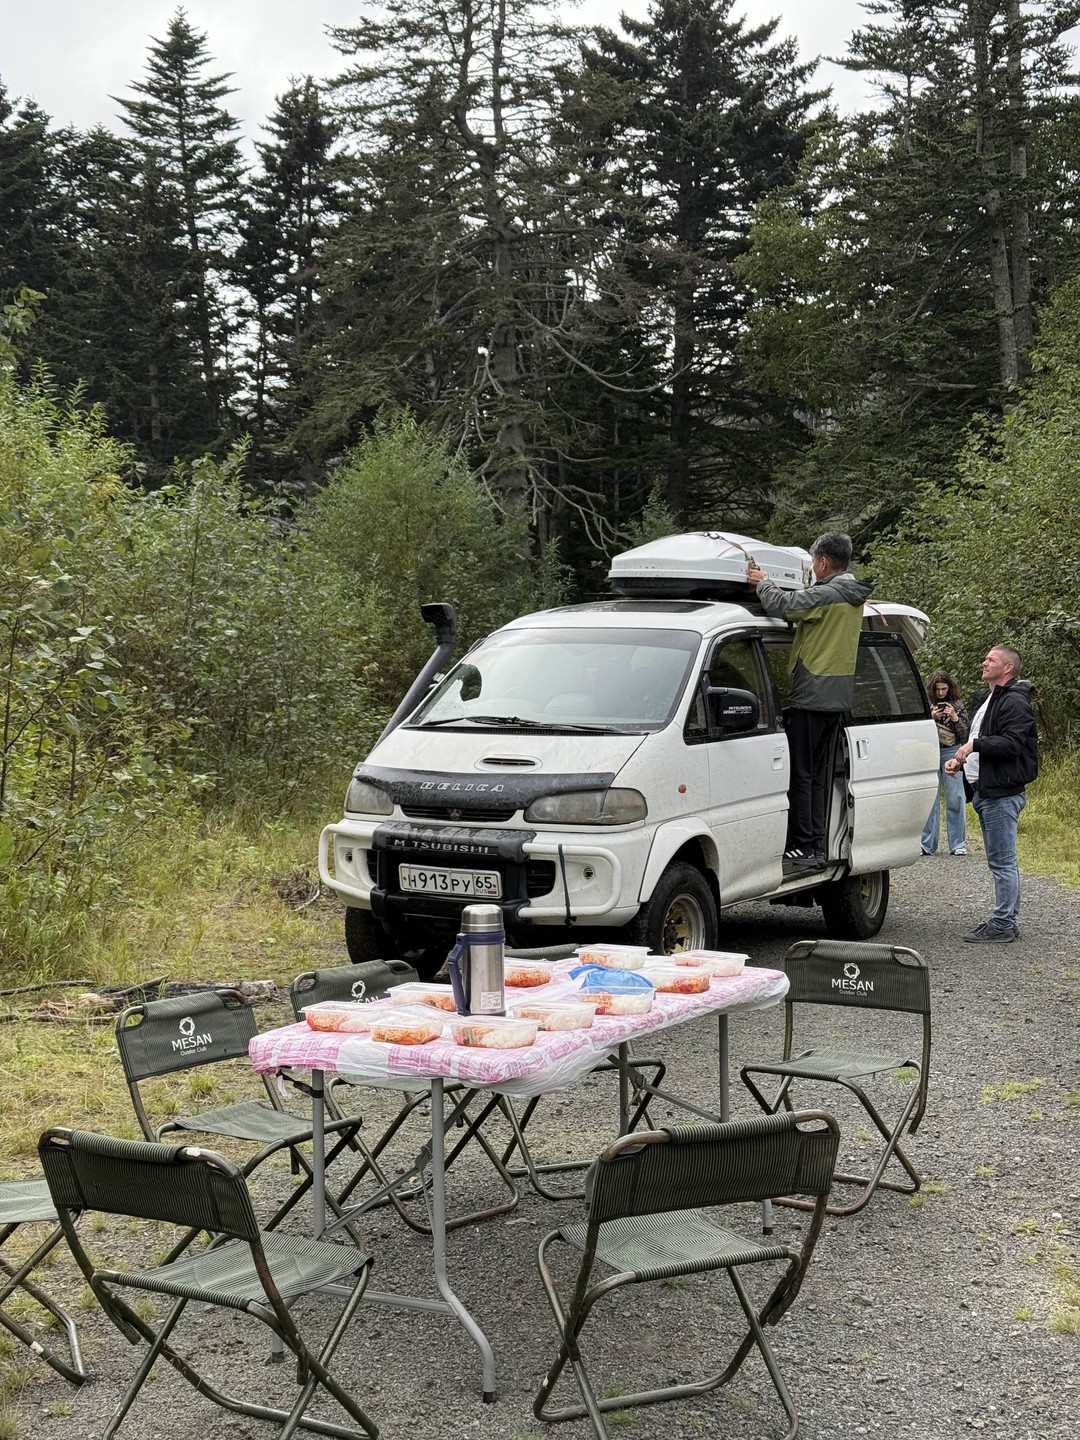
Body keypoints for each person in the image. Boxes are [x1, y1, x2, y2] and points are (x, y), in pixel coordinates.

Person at [748, 532, 872, 872]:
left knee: (800, 776)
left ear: (822, 562)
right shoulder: (851, 596)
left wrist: (763, 582)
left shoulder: (827, 594)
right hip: (837, 699)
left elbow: (784, 606)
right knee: (817, 776)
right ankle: (817, 846)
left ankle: (803, 847)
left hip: (810, 696)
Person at [944, 646, 1038, 943]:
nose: (984, 662)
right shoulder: (988, 700)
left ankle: (1002, 925)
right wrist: (960, 761)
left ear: (1008, 668)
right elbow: (979, 742)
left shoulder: (1013, 702)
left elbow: (1012, 744)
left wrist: (974, 746)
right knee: (1002, 860)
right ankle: (1006, 920)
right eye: (985, 658)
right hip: (986, 790)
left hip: (1001, 793)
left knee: (1002, 861)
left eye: (991, 659)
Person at [921, 668, 970, 855]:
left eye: (944, 689)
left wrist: (954, 717)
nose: (941, 693)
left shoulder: (957, 704)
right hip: (931, 751)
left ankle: (958, 844)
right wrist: (930, 718)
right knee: (930, 799)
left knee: (956, 797)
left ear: (949, 688)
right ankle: (927, 844)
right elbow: (916, 730)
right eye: (937, 690)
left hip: (952, 751)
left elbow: (966, 735)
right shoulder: (926, 705)